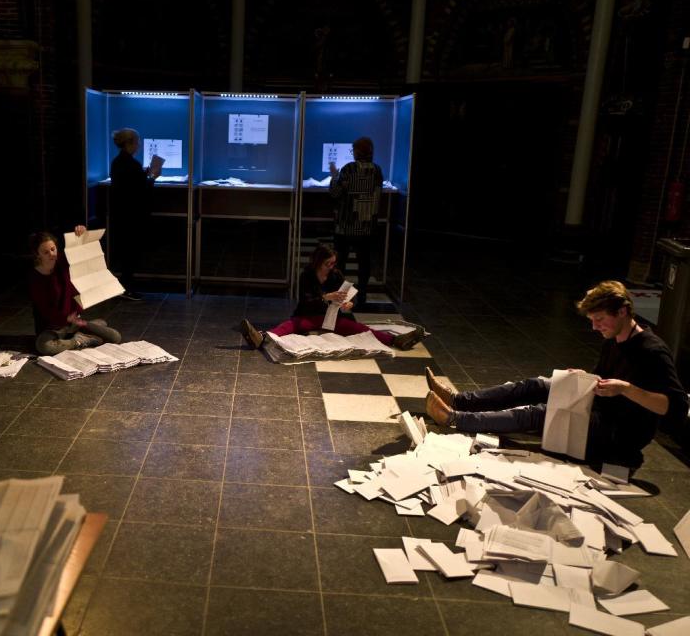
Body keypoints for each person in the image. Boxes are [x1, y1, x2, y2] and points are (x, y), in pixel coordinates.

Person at [425, 281, 688, 470]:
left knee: (540, 412)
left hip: (622, 433)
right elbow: (606, 377)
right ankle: (461, 400)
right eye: (592, 321)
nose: (595, 327)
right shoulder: (614, 339)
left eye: (599, 319)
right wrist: (586, 377)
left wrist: (626, 389)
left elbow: (676, 407)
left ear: (622, 311)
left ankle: (456, 418)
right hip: (604, 406)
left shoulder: (653, 351)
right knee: (538, 385)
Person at [240, 244, 424, 351]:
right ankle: (261, 338)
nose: (331, 266)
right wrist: (326, 297)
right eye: (328, 263)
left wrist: (349, 304)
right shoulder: (307, 275)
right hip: (309, 315)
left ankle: (395, 341)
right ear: (319, 262)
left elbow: (350, 297)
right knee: (289, 326)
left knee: (359, 328)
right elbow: (305, 300)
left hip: (332, 318)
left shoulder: (336, 275)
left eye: (333, 263)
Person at [29, 231, 121, 355]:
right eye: (46, 252)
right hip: (52, 328)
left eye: (53, 249)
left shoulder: (62, 263)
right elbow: (46, 311)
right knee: (44, 346)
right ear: (37, 255)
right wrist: (67, 318)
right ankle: (80, 340)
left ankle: (81, 329)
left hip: (73, 322)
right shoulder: (35, 278)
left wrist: (82, 233)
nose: (52, 254)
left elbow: (75, 290)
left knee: (115, 337)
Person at [328, 136, 383, 306]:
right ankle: (363, 293)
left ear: (358, 151)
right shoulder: (377, 170)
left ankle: (340, 295)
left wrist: (334, 175)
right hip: (367, 226)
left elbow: (335, 193)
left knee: (340, 262)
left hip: (346, 225)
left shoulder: (349, 169)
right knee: (364, 262)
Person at [109, 127, 161, 301]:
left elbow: (130, 183)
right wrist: (153, 177)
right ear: (129, 143)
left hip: (121, 214)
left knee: (126, 252)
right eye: (137, 142)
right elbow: (140, 190)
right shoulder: (131, 164)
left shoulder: (118, 162)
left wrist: (144, 173)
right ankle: (126, 288)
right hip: (132, 216)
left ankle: (125, 287)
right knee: (130, 253)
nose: (138, 145)